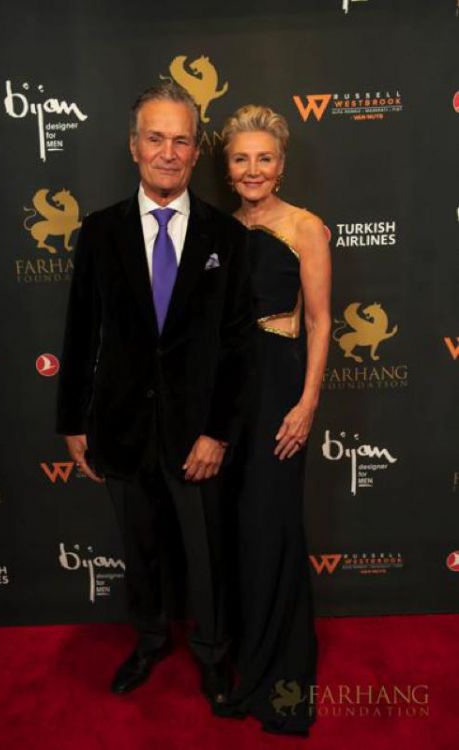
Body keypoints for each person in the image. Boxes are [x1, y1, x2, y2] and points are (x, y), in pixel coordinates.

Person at [56, 82, 254, 712]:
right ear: (133, 146)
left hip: (198, 434)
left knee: (206, 552)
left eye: (181, 140)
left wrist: (217, 431)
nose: (168, 152)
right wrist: (73, 420)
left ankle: (214, 655)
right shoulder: (99, 232)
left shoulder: (227, 235)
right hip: (121, 426)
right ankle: (147, 642)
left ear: (196, 152)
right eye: (155, 138)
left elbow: (238, 345)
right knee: (139, 550)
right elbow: (81, 331)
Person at [220, 105, 331, 735]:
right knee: (238, 529)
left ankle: (277, 673)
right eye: (241, 158)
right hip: (228, 390)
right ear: (227, 167)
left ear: (281, 164)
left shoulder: (305, 226)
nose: (253, 169)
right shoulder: (220, 230)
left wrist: (307, 402)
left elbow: (319, 320)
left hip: (279, 384)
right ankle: (245, 658)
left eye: (264, 157)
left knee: (272, 524)